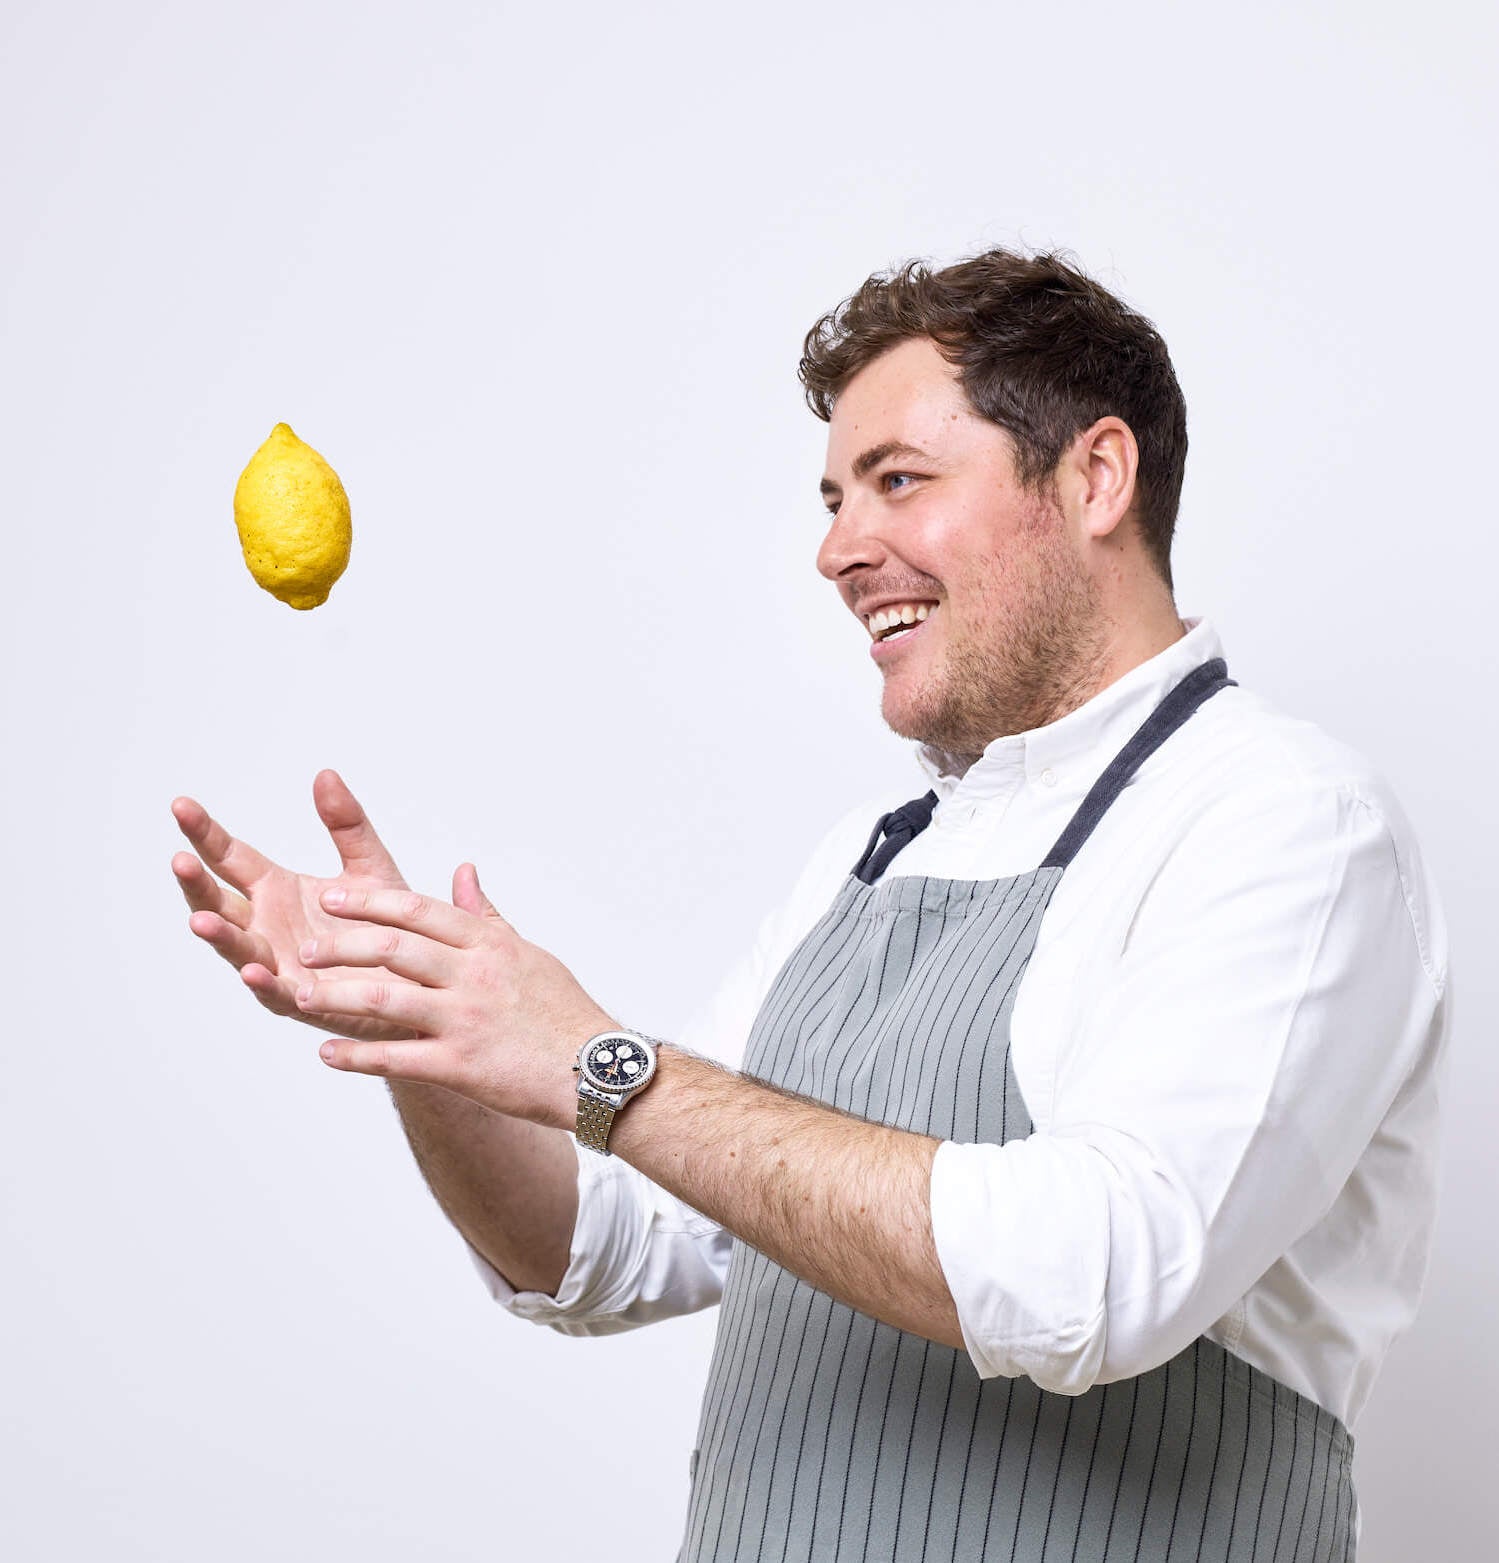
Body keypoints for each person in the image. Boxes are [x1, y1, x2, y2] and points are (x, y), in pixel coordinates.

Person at [171, 249, 1449, 1562]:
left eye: (898, 480)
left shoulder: (1284, 824)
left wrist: (602, 1066)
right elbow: (608, 1244)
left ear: (1096, 478)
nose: (838, 549)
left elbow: (1096, 1277)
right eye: (835, 499)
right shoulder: (870, 858)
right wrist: (421, 1033)